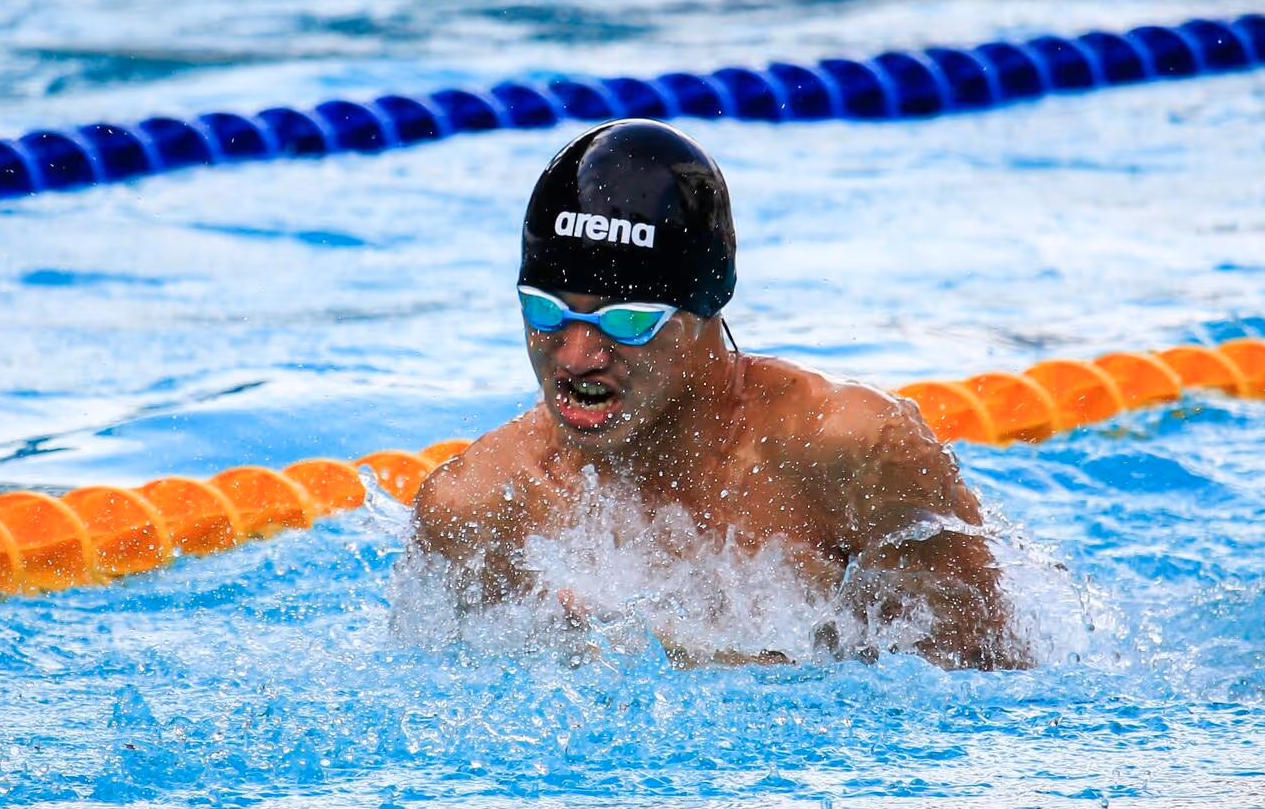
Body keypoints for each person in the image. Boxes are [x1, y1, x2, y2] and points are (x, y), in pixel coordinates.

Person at [409, 120, 1026, 670]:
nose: (576, 358)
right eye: (545, 312)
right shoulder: (478, 509)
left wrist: (750, 672)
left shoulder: (851, 452)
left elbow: (986, 688)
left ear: (704, 308)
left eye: (626, 319)